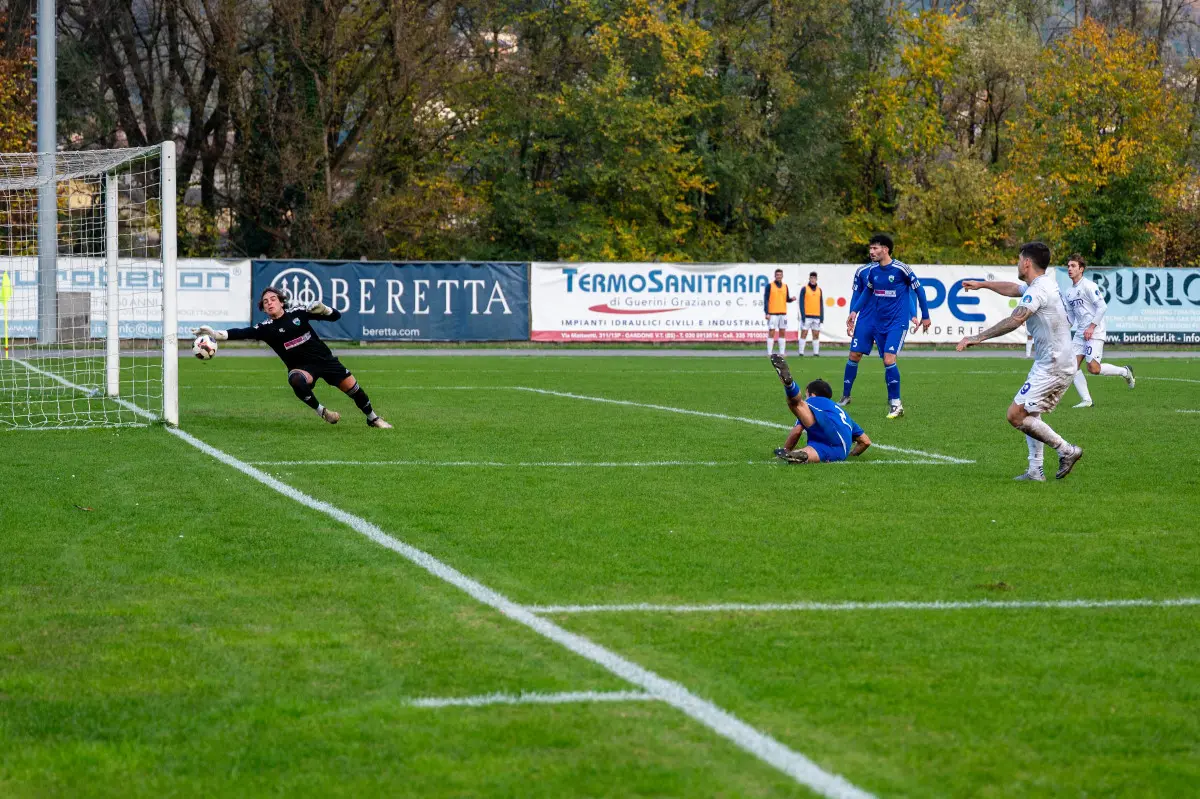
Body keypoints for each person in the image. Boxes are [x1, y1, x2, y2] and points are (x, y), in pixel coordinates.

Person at [958, 242, 1082, 481]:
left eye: (1018, 259)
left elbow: (1015, 320)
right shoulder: (1039, 284)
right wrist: (983, 285)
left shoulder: (1039, 290)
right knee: (1030, 413)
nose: (1017, 263)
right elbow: (1013, 288)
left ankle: (1067, 450)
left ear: (1026, 262)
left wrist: (977, 337)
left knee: (1015, 415)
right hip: (1048, 362)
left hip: (1055, 365)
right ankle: (1036, 470)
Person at [194, 287, 393, 428]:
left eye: (273, 299)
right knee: (296, 380)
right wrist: (215, 333)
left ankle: (373, 418)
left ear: (281, 302)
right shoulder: (265, 329)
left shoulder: (300, 313)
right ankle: (322, 412)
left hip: (326, 361)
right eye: (265, 302)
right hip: (303, 368)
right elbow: (241, 332)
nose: (269, 303)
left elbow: (336, 317)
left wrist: (326, 310)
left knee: (354, 390)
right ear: (263, 309)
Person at [841, 234, 931, 418]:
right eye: (870, 248)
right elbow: (867, 291)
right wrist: (854, 311)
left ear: (886, 249)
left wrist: (925, 316)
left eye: (875, 248)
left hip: (896, 323)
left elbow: (918, 290)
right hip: (875, 321)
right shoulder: (872, 272)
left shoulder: (901, 269)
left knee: (889, 359)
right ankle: (846, 395)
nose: (871, 252)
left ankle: (896, 404)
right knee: (859, 355)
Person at [1062, 253, 1135, 407]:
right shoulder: (1068, 292)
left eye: (1073, 266)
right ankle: (1087, 400)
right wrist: (1062, 329)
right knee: (1072, 367)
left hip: (1095, 331)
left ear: (1081, 269)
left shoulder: (1089, 286)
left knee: (1093, 368)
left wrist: (1091, 327)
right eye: (1068, 266)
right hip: (1081, 332)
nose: (1069, 268)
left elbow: (1102, 307)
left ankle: (1125, 371)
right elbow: (1070, 316)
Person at [769, 355, 871, 464]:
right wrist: (851, 455)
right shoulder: (842, 413)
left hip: (828, 431)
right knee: (807, 453)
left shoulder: (812, 402)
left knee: (796, 404)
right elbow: (866, 442)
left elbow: (797, 431)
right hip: (839, 451)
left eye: (806, 395)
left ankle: (790, 386)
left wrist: (786, 449)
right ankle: (801, 455)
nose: (806, 398)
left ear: (812, 395)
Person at [763, 268, 795, 356]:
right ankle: (769, 353)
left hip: (783, 313)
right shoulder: (769, 286)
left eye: (780, 275)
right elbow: (766, 299)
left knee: (782, 332)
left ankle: (782, 352)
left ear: (782, 276)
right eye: (777, 275)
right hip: (773, 313)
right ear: (775, 276)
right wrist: (767, 312)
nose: (779, 276)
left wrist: (791, 299)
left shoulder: (785, 286)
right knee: (772, 332)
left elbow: (786, 299)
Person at [798, 271, 824, 356]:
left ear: (816, 279)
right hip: (807, 316)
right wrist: (803, 315)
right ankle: (801, 352)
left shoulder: (819, 290)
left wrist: (821, 317)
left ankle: (816, 353)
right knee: (804, 333)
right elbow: (801, 303)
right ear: (809, 279)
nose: (813, 280)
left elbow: (821, 304)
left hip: (816, 316)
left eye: (814, 278)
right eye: (811, 278)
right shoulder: (804, 289)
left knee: (816, 334)